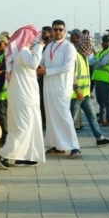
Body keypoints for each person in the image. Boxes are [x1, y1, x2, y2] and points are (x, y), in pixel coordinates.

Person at [0, 26, 46, 169]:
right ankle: (4, 153)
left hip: (25, 96)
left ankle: (23, 157)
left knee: (27, 127)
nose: (34, 41)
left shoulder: (21, 53)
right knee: (23, 128)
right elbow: (33, 64)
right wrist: (40, 47)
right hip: (24, 97)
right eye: (32, 38)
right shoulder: (23, 52)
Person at [38, 20, 81, 158]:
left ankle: (74, 146)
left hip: (62, 87)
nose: (57, 32)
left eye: (60, 29)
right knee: (51, 116)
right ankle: (57, 145)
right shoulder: (49, 46)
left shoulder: (69, 47)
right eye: (55, 29)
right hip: (48, 86)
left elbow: (67, 67)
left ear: (64, 30)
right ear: (51, 31)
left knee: (64, 115)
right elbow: (42, 63)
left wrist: (47, 71)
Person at [70, 30, 109, 147]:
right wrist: (77, 89)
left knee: (92, 116)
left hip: (85, 94)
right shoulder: (74, 56)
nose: (90, 46)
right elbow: (72, 75)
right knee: (70, 119)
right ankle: (67, 143)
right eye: (88, 44)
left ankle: (99, 138)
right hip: (76, 94)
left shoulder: (83, 56)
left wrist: (88, 92)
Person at [91, 35, 109, 126]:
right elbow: (90, 62)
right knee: (99, 101)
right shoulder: (99, 53)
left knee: (106, 101)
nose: (105, 43)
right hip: (97, 79)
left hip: (105, 80)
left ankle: (108, 119)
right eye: (104, 41)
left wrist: (97, 61)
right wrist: (99, 61)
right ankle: (102, 118)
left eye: (107, 41)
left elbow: (103, 63)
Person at [38, 26, 53, 130]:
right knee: (41, 100)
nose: (43, 35)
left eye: (45, 33)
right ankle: (43, 121)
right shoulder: (43, 47)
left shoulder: (51, 47)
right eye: (42, 33)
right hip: (41, 77)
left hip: (49, 77)